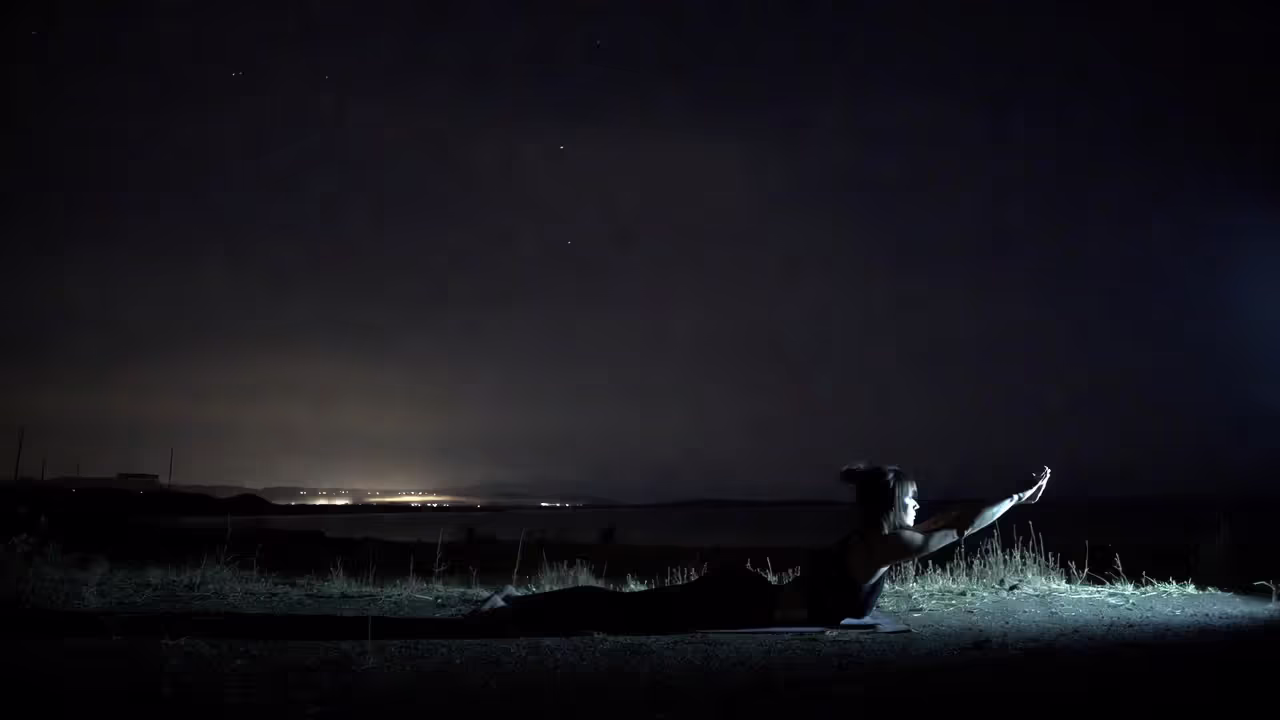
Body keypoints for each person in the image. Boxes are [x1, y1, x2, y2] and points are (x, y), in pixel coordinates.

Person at [465, 463, 1051, 634]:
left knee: (625, 612)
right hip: (740, 605)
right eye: (915, 499)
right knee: (621, 614)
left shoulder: (876, 537)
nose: (923, 507)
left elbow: (951, 519)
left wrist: (1004, 502)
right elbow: (956, 529)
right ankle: (515, 607)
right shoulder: (884, 544)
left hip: (744, 598)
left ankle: (518, 604)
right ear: (896, 505)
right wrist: (1013, 498)